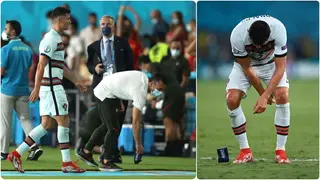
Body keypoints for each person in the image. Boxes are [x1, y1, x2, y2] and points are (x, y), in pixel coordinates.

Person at [7, 6, 87, 173]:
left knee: (46, 124)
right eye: (67, 18)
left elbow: (60, 66)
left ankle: (16, 153)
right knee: (63, 121)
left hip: (50, 87)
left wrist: (76, 81)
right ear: (59, 19)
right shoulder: (51, 39)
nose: (70, 21)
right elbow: (41, 65)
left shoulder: (56, 38)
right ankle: (66, 163)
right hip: (51, 87)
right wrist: (36, 89)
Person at [227, 15, 290, 164]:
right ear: (249, 35)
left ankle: (281, 151)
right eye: (257, 45)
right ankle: (245, 151)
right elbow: (247, 68)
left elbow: (281, 68)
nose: (260, 48)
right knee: (231, 99)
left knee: (282, 95)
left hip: (271, 64)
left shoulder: (279, 29)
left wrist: (267, 94)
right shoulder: (237, 35)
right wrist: (263, 94)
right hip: (247, 66)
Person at [77, 71, 167, 171]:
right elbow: (135, 122)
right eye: (159, 89)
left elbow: (121, 82)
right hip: (106, 92)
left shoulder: (143, 76)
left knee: (106, 126)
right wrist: (138, 144)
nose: (159, 92)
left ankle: (86, 151)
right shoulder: (141, 91)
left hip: (106, 90)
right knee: (114, 129)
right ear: (151, 83)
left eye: (162, 90)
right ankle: (106, 161)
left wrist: (119, 100)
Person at [85, 15, 134, 162]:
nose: (105, 26)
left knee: (115, 122)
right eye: (103, 24)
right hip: (103, 88)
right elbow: (88, 65)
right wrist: (94, 68)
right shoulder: (93, 47)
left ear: (113, 26)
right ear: (100, 26)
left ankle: (108, 151)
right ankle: (106, 155)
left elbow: (130, 65)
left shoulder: (123, 44)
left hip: (121, 88)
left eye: (108, 24)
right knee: (110, 124)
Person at [1, 20, 43, 161]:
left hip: (7, 89)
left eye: (6, 28)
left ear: (13, 32)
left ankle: (3, 152)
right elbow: (30, 68)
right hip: (23, 89)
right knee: (25, 120)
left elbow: (1, 71)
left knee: (5, 122)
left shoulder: (5, 49)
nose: (4, 31)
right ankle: (34, 146)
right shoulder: (27, 49)